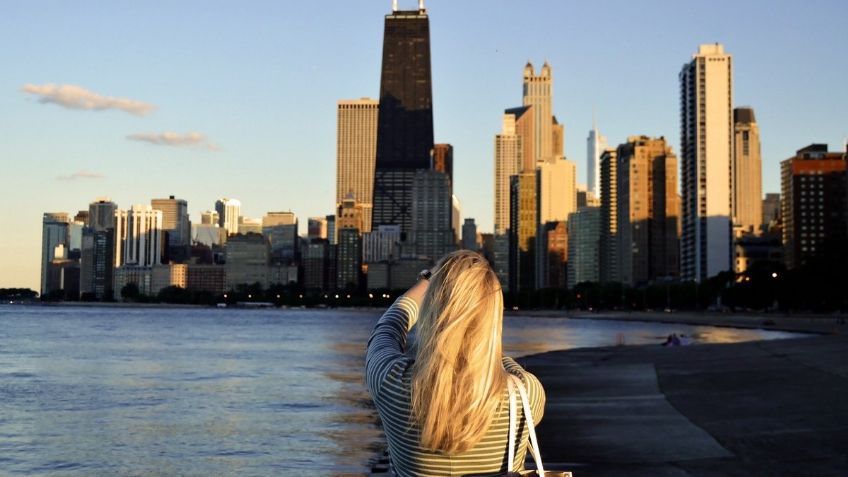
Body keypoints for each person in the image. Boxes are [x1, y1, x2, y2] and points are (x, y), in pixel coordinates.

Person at [366, 250, 546, 476]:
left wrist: (428, 281)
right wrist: (480, 341)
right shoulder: (525, 395)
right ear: (493, 317)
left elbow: (388, 328)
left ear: (432, 310)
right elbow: (505, 366)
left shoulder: (389, 380)